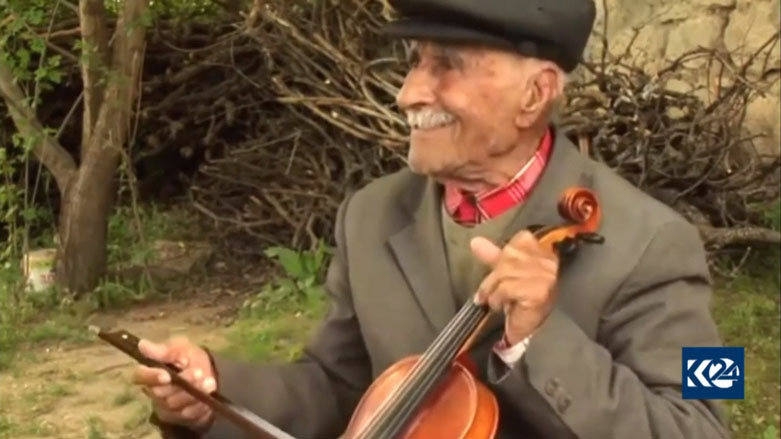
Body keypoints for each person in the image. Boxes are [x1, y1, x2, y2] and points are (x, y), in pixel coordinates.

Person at [132, 0, 731, 438]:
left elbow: (706, 423)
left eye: (448, 64)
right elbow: (338, 386)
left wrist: (540, 340)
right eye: (415, 60)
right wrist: (214, 389)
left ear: (534, 93)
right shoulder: (369, 216)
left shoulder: (662, 241)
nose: (409, 92)